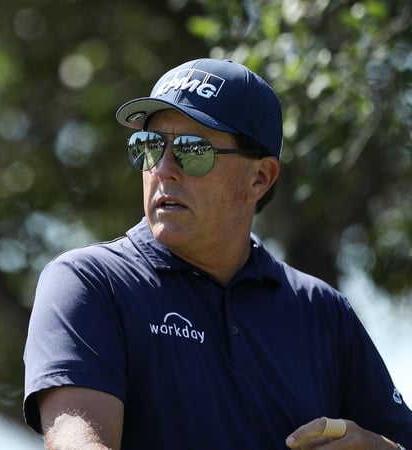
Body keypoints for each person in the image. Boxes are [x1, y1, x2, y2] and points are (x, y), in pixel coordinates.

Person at [23, 58, 412, 449]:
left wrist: (381, 448)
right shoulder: (88, 283)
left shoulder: (324, 311)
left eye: (192, 150)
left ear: (260, 178)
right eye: (150, 145)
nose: (163, 169)